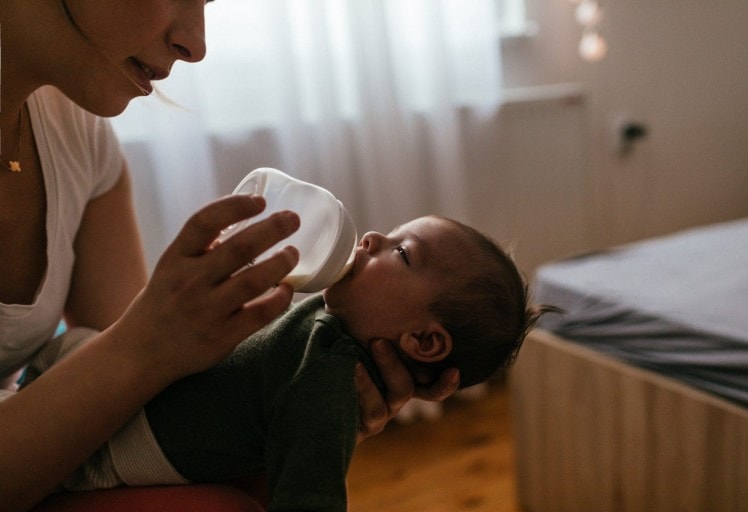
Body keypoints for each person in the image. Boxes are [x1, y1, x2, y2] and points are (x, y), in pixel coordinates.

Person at [0, 2, 458, 510]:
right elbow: (126, 356)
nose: (196, 45)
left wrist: (298, 404)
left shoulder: (79, 137)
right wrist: (146, 343)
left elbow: (129, 405)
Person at [14, 215, 553, 510]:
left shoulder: (329, 381)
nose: (373, 237)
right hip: (93, 387)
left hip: (103, 451)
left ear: (424, 342)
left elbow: (311, 492)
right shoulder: (330, 317)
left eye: (402, 253)